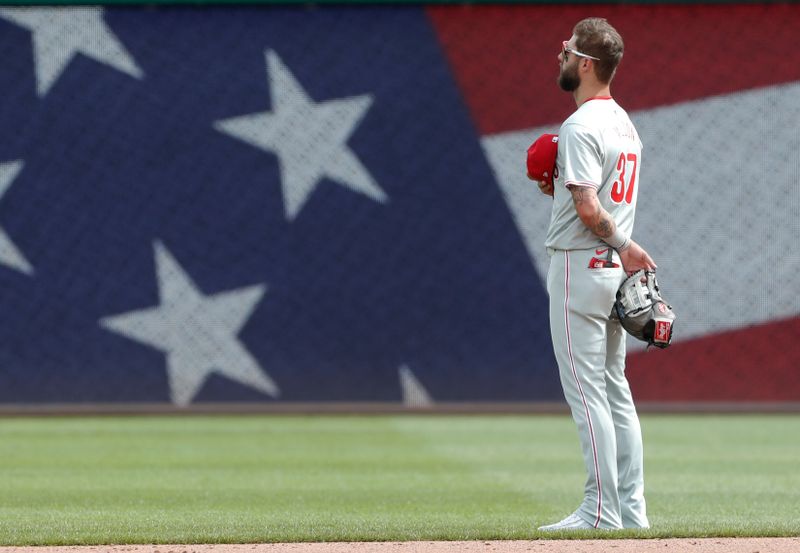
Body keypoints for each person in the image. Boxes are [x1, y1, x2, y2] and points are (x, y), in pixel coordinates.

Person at [530, 18, 655, 531]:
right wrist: (558, 188)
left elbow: (587, 206)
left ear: (585, 63)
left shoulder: (580, 125)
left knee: (587, 394)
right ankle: (632, 511)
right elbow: (583, 197)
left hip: (581, 266)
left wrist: (626, 245)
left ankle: (600, 512)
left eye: (568, 48)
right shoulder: (624, 122)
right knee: (614, 390)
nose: (560, 52)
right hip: (607, 273)